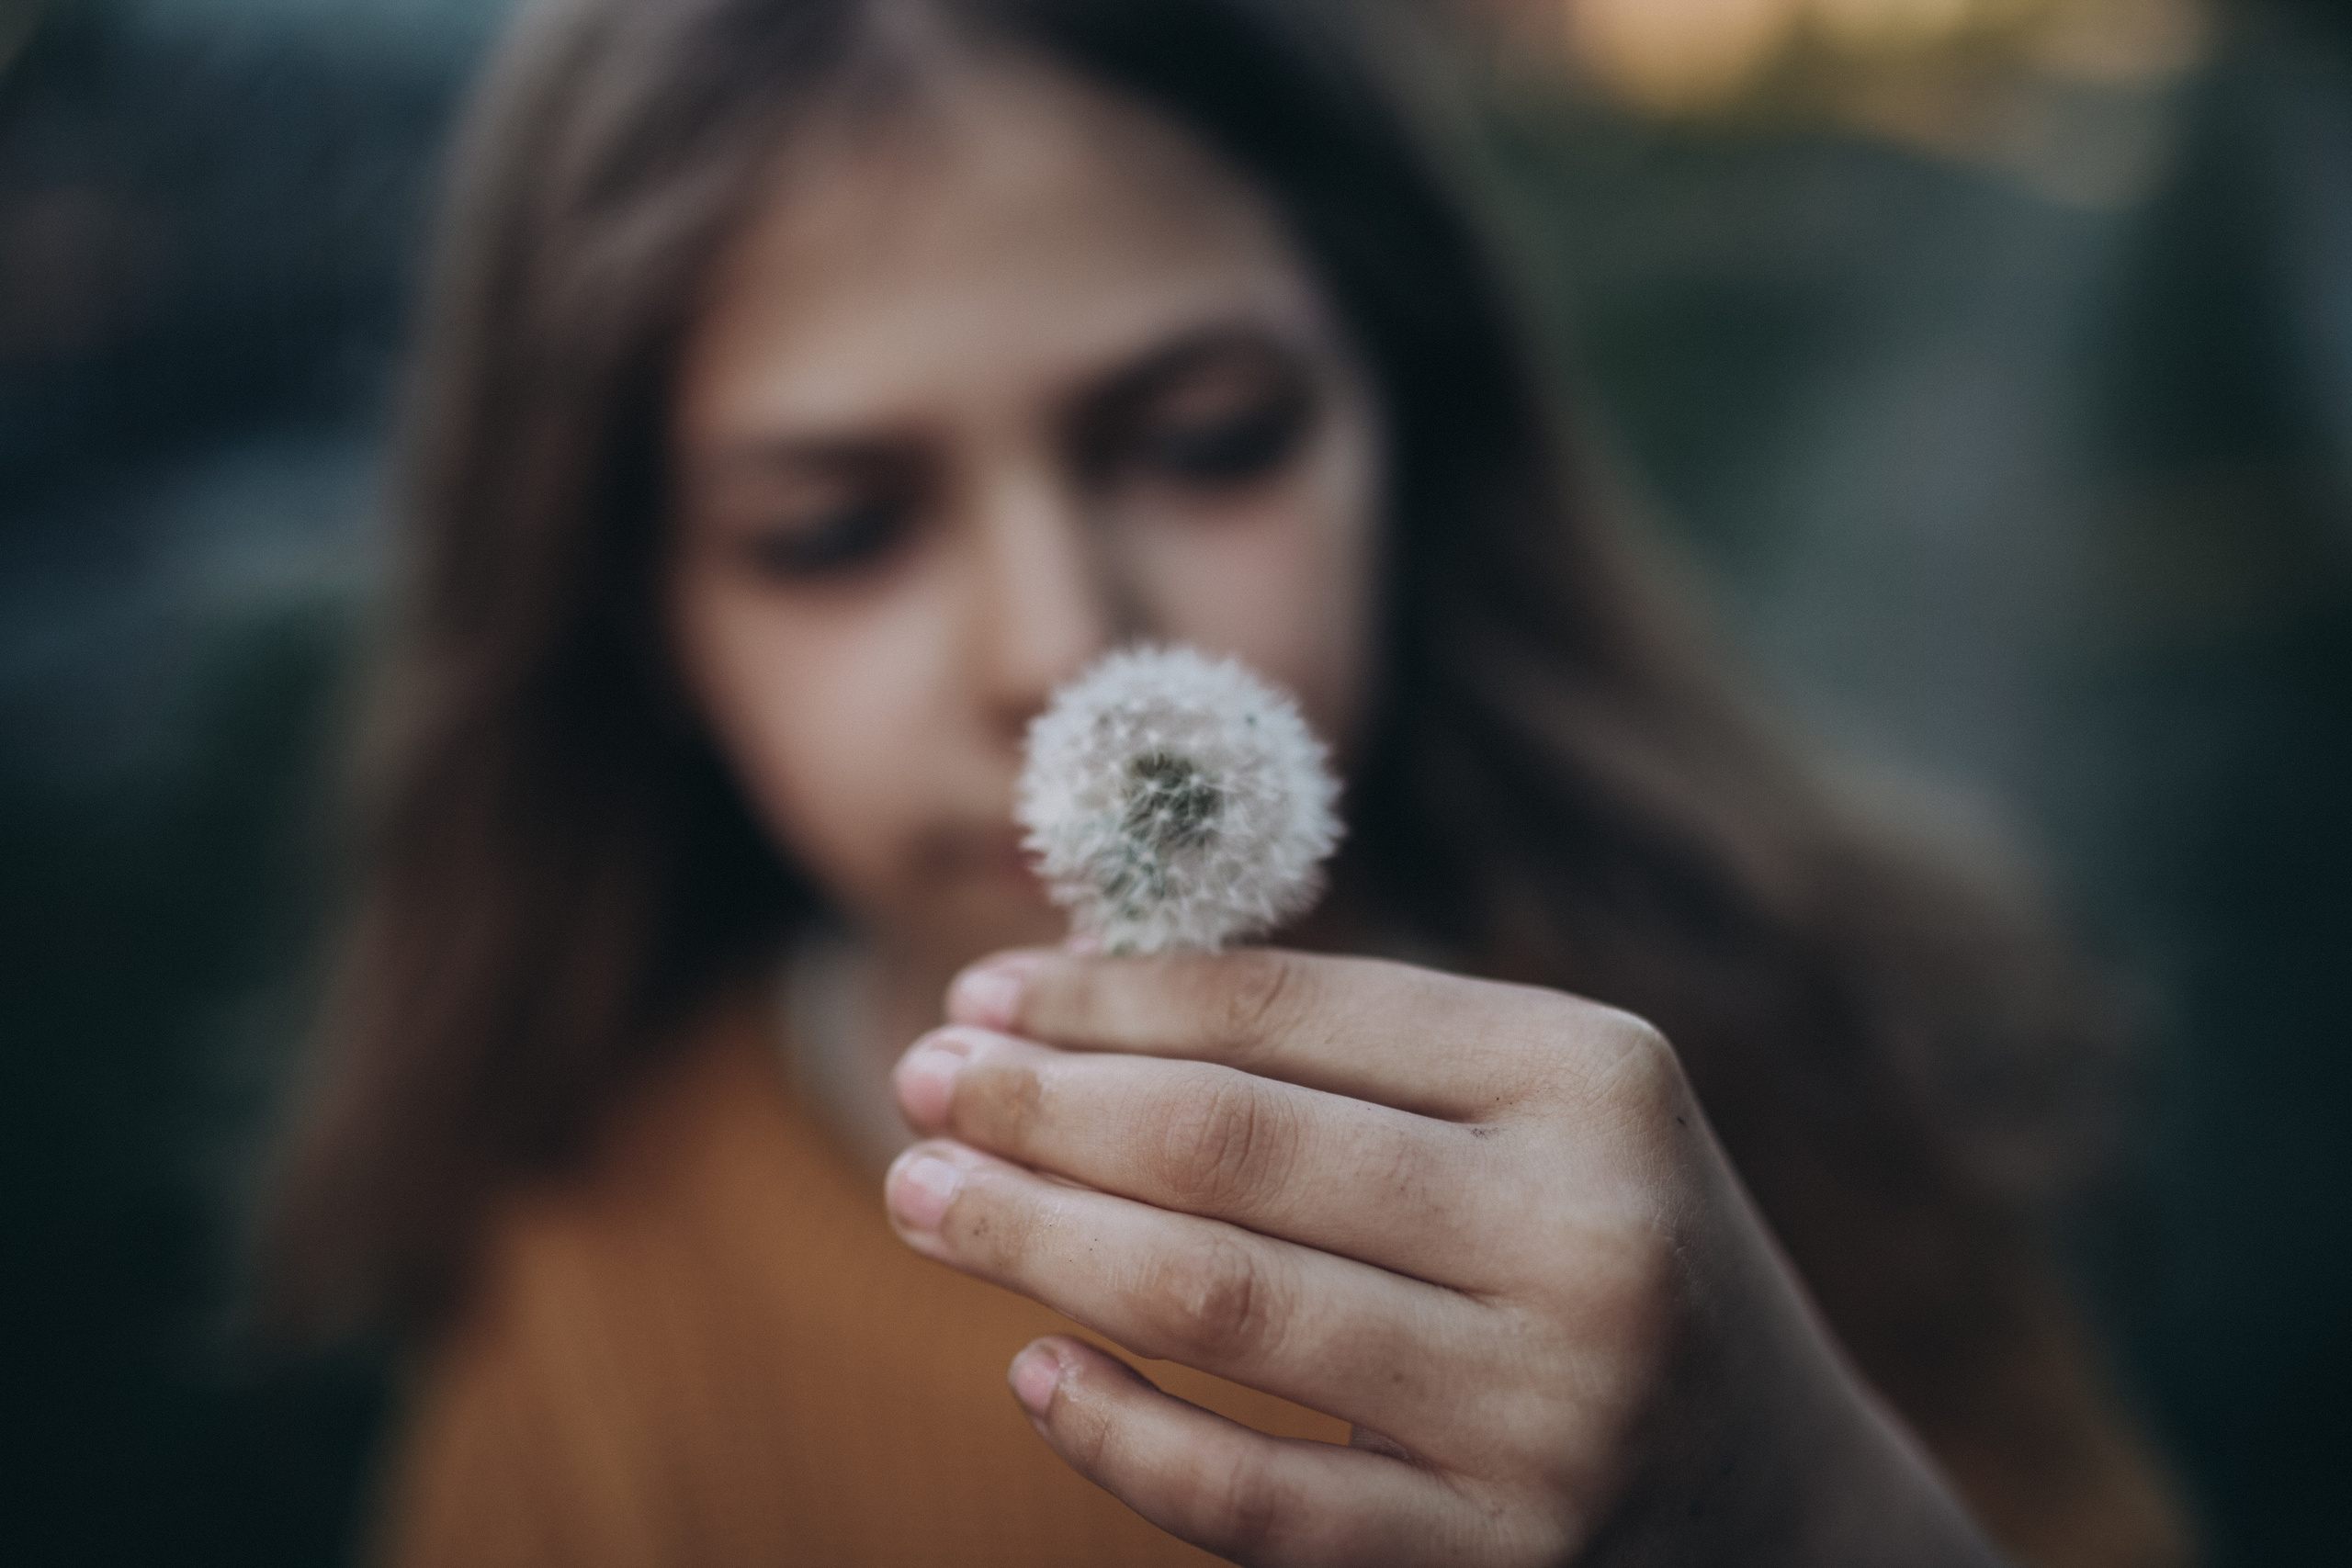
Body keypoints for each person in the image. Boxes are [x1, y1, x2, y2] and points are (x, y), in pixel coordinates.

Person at [257, 0, 2193, 1562]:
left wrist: (1788, 1510)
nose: (1058, 640)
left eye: (1205, 437)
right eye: (836, 527)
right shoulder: (598, 1336)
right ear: (628, 612)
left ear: (1408, 418)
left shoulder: (1770, 1088)